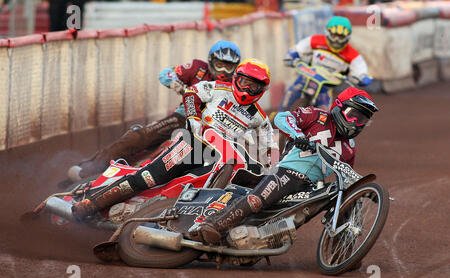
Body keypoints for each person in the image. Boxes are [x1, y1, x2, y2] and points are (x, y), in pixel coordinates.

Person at [71, 58, 280, 220]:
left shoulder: (259, 116)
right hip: (191, 144)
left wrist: (273, 167)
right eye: (245, 82)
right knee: (149, 177)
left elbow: (269, 144)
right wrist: (193, 117)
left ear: (261, 90)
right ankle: (91, 203)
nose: (247, 89)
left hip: (216, 160)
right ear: (236, 78)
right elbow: (191, 94)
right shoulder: (217, 88)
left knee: (194, 194)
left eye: (254, 87)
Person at [190, 87, 378, 244]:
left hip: (311, 187)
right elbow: (282, 117)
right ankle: (214, 225)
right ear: (338, 107)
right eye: (352, 115)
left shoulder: (350, 148)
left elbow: (346, 174)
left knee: (344, 195)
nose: (356, 123)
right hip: (288, 172)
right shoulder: (318, 116)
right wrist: (297, 135)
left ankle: (343, 247)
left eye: (362, 120)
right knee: (257, 200)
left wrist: (365, 189)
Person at [71, 40, 242, 180]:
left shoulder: (237, 85)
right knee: (142, 136)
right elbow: (166, 73)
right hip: (184, 117)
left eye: (228, 67)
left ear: (236, 68)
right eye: (220, 65)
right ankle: (91, 167)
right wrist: (176, 83)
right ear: (211, 61)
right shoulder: (197, 67)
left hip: (214, 129)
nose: (223, 71)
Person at [279, 16, 373, 112]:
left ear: (347, 37)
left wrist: (362, 78)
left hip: (326, 87)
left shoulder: (353, 55)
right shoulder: (315, 40)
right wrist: (291, 56)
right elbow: (297, 49)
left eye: (341, 37)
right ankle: (277, 116)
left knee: (324, 113)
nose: (336, 40)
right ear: (328, 33)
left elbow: (361, 71)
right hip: (307, 77)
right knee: (292, 92)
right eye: (334, 35)